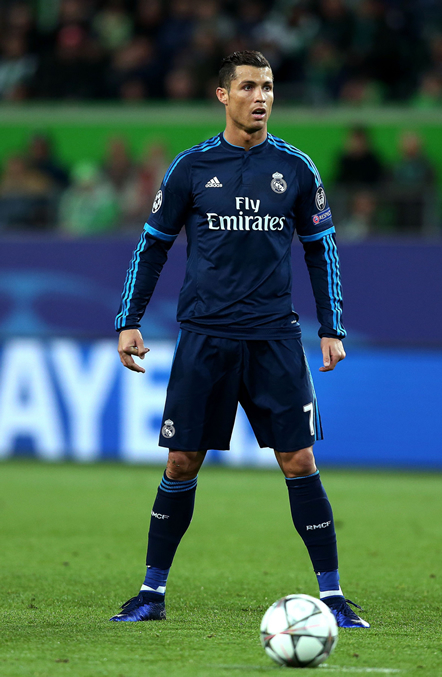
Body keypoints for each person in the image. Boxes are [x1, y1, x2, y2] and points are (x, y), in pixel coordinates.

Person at [111, 50, 369, 629]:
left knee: (298, 458)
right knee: (181, 461)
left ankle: (332, 597)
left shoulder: (297, 168)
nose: (262, 97)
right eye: (250, 86)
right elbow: (151, 246)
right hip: (205, 335)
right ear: (223, 95)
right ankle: (152, 593)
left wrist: (331, 327)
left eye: (269, 87)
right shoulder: (191, 168)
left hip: (275, 337)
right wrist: (129, 319)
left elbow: (320, 249)